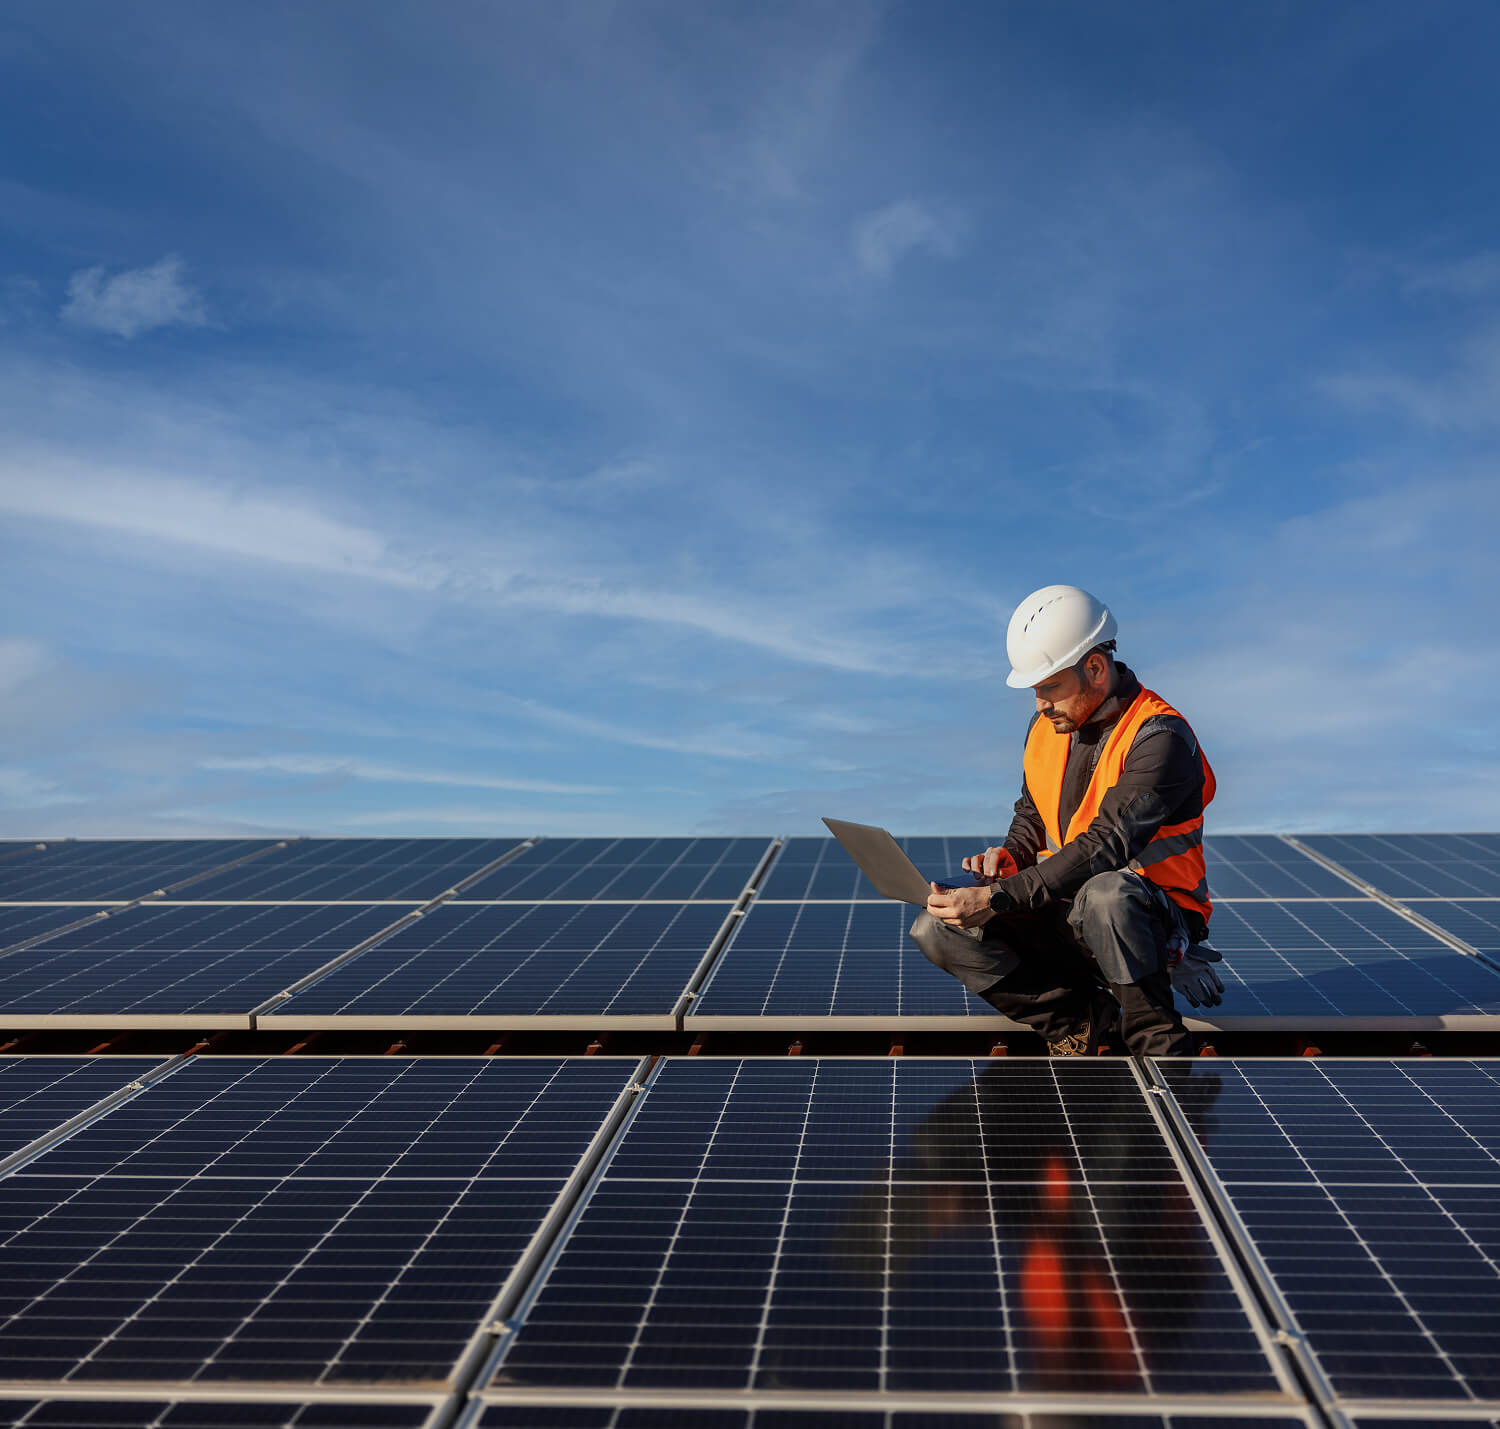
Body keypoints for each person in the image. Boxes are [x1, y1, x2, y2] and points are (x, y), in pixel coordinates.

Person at [911, 584, 1224, 1056]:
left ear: (1095, 668)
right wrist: (1011, 855)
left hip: (1152, 921)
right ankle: (1080, 1025)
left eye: (1049, 687)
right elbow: (1032, 813)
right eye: (1035, 690)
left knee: (1108, 895)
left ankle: (1156, 1047)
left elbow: (1105, 846)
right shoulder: (1048, 727)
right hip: (1069, 905)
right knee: (937, 926)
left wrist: (998, 897)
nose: (1039, 704)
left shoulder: (1161, 737)